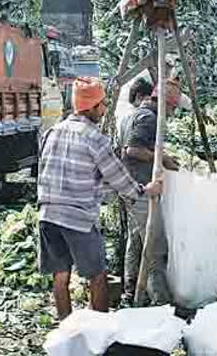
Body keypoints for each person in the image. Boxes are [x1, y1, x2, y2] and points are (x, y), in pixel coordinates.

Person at [37, 77, 163, 320]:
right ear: (91, 107)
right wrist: (145, 190)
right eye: (103, 105)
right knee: (97, 276)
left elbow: (63, 172)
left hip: (48, 215)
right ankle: (101, 332)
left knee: (60, 276)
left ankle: (67, 330)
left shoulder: (52, 131)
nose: (105, 110)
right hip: (78, 218)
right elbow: (118, 178)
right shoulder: (94, 138)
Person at [120, 78, 181, 305]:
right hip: (142, 189)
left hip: (130, 188)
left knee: (135, 242)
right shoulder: (149, 118)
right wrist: (162, 158)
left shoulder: (132, 115)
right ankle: (161, 302)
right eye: (174, 108)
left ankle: (131, 292)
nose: (174, 112)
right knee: (155, 247)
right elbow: (132, 150)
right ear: (167, 104)